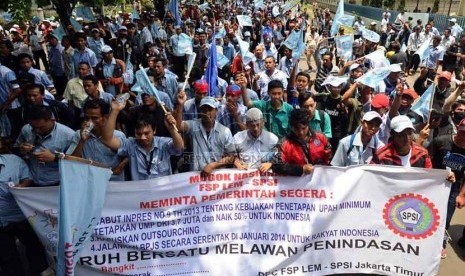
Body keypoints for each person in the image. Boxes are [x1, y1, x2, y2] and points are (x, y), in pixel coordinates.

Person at [0, 144, 52, 276]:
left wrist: (21, 186)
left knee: (35, 249)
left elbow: (28, 178)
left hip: (22, 216)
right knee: (7, 258)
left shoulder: (14, 161)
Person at [101, 99, 183, 180]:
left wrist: (172, 130)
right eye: (138, 134)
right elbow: (107, 140)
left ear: (154, 131)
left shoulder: (162, 143)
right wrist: (114, 111)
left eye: (147, 133)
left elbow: (179, 147)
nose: (142, 137)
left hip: (163, 192)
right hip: (141, 192)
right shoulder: (130, 144)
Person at [174, 94, 236, 175]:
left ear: (216, 111)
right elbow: (178, 127)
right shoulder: (193, 125)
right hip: (196, 176)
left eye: (210, 109)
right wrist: (180, 105)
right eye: (204, 110)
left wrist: (213, 165)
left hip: (217, 177)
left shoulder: (225, 131)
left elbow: (232, 156)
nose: (206, 113)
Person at [67, 99, 127, 181]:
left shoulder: (118, 136)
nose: (89, 122)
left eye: (95, 118)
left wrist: (121, 165)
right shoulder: (79, 134)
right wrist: (82, 141)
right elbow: (71, 162)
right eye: (87, 118)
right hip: (89, 182)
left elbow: (128, 155)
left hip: (113, 182)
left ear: (105, 118)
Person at [14, 105, 74, 186]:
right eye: (34, 128)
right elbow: (15, 150)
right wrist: (21, 150)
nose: (37, 131)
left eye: (41, 128)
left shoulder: (69, 135)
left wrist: (54, 157)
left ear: (52, 120)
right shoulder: (26, 130)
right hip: (32, 181)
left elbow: (75, 160)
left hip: (57, 183)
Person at [271, 109, 331, 176]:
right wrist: (301, 169)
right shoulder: (283, 143)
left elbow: (330, 158)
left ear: (308, 125)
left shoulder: (321, 137)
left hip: (319, 180)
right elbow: (276, 166)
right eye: (296, 129)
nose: (301, 132)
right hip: (296, 183)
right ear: (291, 127)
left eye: (303, 128)